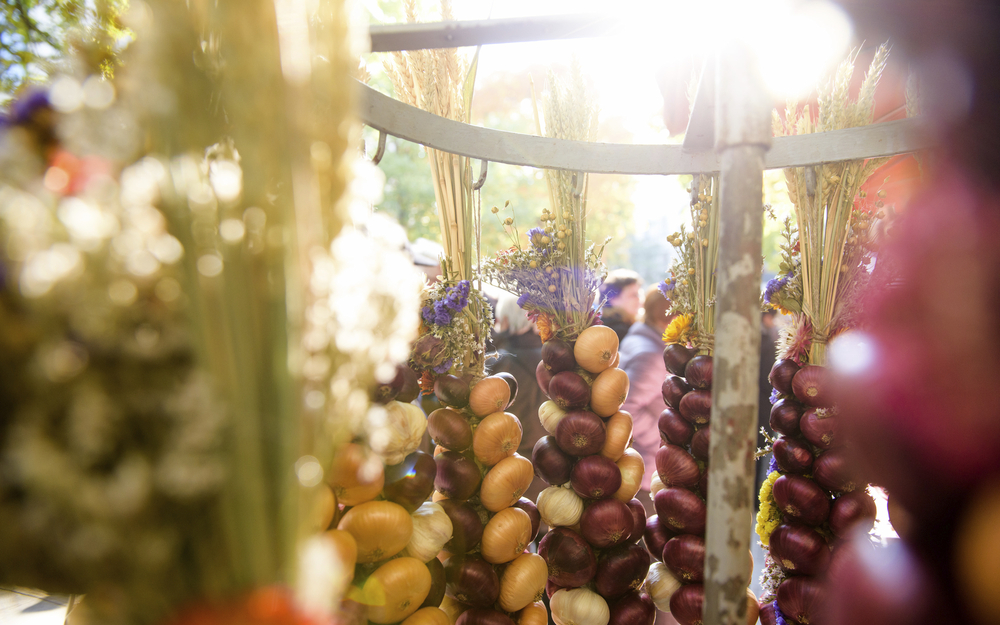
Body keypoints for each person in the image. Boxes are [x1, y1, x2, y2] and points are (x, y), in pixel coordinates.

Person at [618, 286, 673, 514]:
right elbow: (627, 408)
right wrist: (663, 441)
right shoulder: (653, 356)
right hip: (646, 467)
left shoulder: (641, 334)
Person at [488, 292, 547, 502]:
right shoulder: (555, 362)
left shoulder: (496, 364)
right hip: (548, 472)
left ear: (503, 319)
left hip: (506, 474)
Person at [599, 269, 643, 343]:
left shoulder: (628, 323)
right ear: (613, 298)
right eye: (633, 295)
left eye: (639, 294)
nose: (638, 299)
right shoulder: (617, 331)